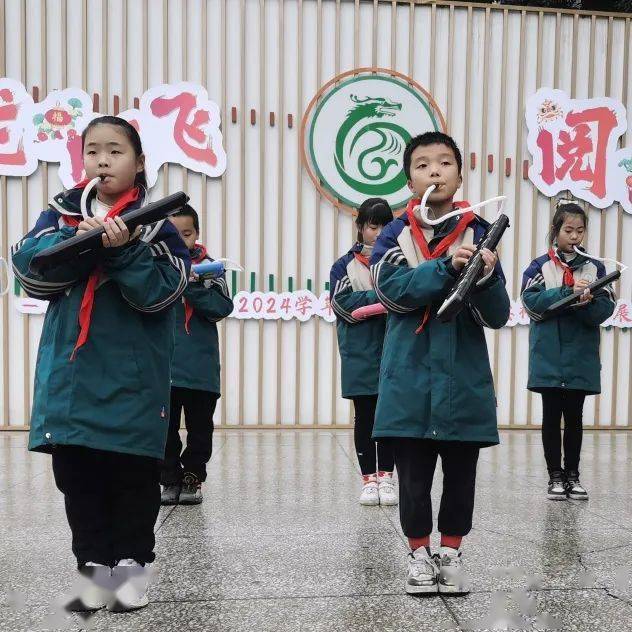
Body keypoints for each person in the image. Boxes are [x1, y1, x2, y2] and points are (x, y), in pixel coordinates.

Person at [11, 115, 190, 612]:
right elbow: (32, 272)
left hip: (134, 382)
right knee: (78, 480)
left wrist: (124, 249)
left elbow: (161, 293)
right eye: (93, 151)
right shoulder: (61, 214)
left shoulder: (157, 224)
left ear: (138, 163)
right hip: (71, 380)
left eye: (116, 151)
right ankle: (92, 572)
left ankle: (131, 570)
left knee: (132, 481)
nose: (103, 160)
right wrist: (83, 242)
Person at [369, 131, 510, 595]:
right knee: (412, 479)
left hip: (463, 381)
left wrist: (485, 278)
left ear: (460, 174)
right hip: (408, 380)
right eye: (423, 164)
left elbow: (498, 315)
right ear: (409, 178)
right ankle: (418, 554)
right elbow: (392, 292)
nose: (435, 170)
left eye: (445, 162)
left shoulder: (481, 231)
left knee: (461, 476)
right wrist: (447, 267)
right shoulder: (393, 233)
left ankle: (450, 553)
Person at [521, 200, 616, 501]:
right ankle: (555, 478)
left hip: (580, 357)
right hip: (548, 357)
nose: (575, 236)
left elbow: (606, 308)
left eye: (580, 230)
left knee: (575, 418)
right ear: (556, 231)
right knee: (551, 417)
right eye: (568, 230)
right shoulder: (539, 266)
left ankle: (573, 476)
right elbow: (531, 304)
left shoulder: (596, 267)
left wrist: (587, 304)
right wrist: (566, 293)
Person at [161, 204, 233, 506]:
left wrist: (191, 286)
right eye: (174, 235)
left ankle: (193, 476)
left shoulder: (211, 268)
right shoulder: (156, 266)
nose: (182, 240)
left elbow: (221, 308)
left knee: (200, 430)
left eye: (187, 234)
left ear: (197, 234)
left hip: (200, 370)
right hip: (162, 367)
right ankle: (169, 479)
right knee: (163, 431)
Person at [329, 198, 397, 506]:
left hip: (394, 352)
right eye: (373, 226)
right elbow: (343, 304)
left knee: (390, 419)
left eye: (385, 226)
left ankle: (387, 477)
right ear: (360, 227)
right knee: (365, 417)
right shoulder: (343, 266)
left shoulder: (398, 261)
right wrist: (381, 299)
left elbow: (407, 296)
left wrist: (368, 303)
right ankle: (368, 479)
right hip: (359, 354)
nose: (379, 232)